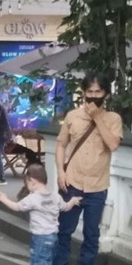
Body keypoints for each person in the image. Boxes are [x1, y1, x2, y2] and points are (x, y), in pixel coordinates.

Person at [54, 73, 123, 265]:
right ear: (84, 93)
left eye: (98, 91)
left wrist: (97, 118)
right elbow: (60, 145)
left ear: (106, 94)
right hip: (72, 183)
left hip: (97, 187)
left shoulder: (113, 118)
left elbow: (113, 145)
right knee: (64, 231)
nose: (93, 95)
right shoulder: (72, 116)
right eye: (90, 91)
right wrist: (61, 171)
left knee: (91, 235)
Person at [0, 164, 82, 265]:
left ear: (32, 181)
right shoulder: (55, 196)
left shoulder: (33, 198)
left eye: (27, 183)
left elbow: (17, 207)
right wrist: (73, 201)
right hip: (53, 237)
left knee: (38, 261)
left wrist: (4, 199)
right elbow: (65, 207)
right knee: (48, 260)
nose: (27, 187)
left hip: (40, 238)